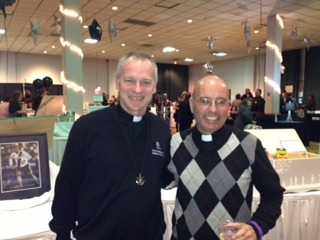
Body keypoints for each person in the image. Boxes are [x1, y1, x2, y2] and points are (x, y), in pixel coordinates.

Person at [49, 52, 174, 239]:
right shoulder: (87, 127)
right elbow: (67, 185)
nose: (137, 89)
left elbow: (164, 177)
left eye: (146, 82)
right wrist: (62, 232)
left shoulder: (161, 129)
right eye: (129, 80)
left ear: (154, 86)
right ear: (117, 82)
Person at [168, 75, 285, 240]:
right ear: (192, 105)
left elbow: (273, 195)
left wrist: (256, 227)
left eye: (221, 102)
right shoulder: (175, 144)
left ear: (229, 107)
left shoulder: (249, 145)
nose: (213, 109)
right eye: (205, 101)